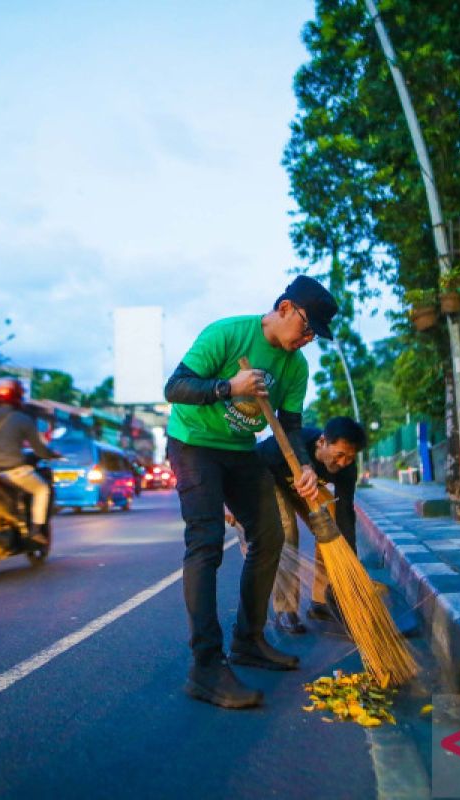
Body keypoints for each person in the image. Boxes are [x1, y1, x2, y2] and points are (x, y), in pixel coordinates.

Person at [164, 275, 337, 709]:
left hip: (242, 451)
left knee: (270, 536)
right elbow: (175, 387)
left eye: (316, 333)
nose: (308, 338)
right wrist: (228, 388)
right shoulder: (227, 333)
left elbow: (292, 427)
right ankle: (205, 666)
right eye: (306, 326)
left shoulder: (295, 367)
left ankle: (249, 640)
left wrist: (305, 468)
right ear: (284, 308)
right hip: (193, 444)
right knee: (205, 545)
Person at [253, 416, 364, 634]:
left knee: (331, 530)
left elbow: (345, 515)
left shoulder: (346, 470)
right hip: (270, 479)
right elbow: (252, 466)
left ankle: (322, 602)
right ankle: (286, 610)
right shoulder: (291, 445)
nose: (342, 463)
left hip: (305, 489)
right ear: (322, 442)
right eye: (339, 455)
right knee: (287, 532)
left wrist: (349, 561)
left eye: (349, 458)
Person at [0, 379, 57, 545]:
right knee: (42, 490)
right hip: (13, 472)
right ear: (18, 396)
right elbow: (39, 449)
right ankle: (36, 530)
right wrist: (52, 455)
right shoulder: (23, 419)